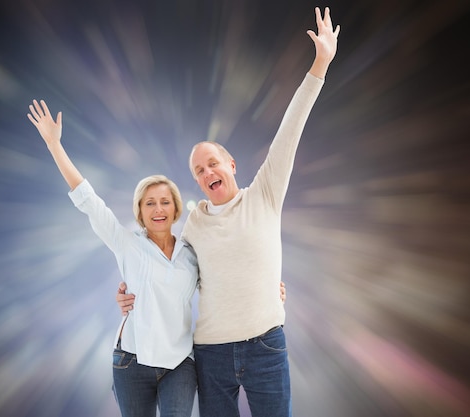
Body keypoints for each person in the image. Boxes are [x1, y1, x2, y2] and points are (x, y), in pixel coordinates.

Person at [117, 7, 340, 417]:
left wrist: (320, 63)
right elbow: (167, 269)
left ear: (231, 164)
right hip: (212, 353)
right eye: (199, 171)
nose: (207, 173)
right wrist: (130, 290)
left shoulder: (265, 194)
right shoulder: (194, 224)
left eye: (212, 163)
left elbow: (291, 128)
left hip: (266, 344)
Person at [27, 99, 199, 417]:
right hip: (131, 361)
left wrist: (271, 292)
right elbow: (88, 200)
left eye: (164, 202)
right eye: (150, 203)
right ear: (139, 211)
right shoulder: (126, 243)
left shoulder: (192, 252)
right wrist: (54, 145)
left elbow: (226, 278)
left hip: (180, 362)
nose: (158, 209)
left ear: (176, 208)